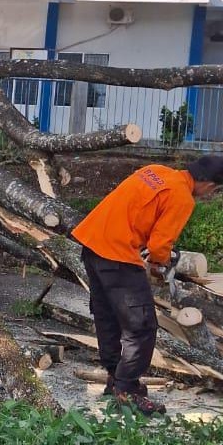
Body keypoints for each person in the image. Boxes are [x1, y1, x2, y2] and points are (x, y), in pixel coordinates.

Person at [71, 155, 223, 416]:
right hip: (118, 255)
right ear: (208, 184)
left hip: (92, 243)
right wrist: (160, 265)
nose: (211, 195)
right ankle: (127, 390)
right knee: (141, 326)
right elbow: (159, 246)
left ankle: (115, 378)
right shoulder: (182, 197)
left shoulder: (155, 171)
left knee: (107, 317)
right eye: (215, 190)